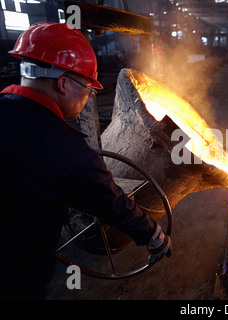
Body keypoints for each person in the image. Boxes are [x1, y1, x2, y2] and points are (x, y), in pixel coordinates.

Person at [0, 22, 171, 300]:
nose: (88, 96)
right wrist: (152, 235)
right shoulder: (65, 148)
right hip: (16, 281)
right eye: (88, 88)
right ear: (63, 82)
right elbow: (110, 202)